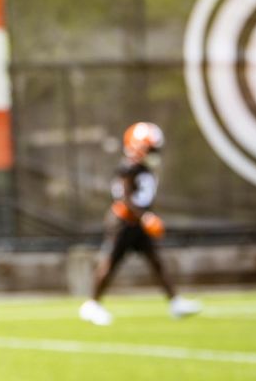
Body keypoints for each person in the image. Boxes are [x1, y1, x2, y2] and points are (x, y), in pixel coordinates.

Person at [79, 122, 201, 325]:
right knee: (110, 262)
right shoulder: (128, 168)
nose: (153, 153)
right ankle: (92, 305)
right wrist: (145, 217)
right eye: (150, 149)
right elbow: (124, 198)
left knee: (156, 263)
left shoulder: (146, 169)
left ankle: (175, 303)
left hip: (139, 224)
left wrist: (146, 217)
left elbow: (145, 198)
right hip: (123, 223)